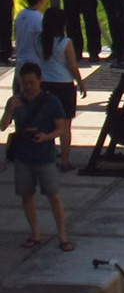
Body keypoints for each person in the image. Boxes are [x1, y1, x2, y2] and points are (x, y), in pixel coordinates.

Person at [3, 64, 73, 251]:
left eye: (31, 82)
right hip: (22, 156)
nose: (28, 86)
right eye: (24, 83)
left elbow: (61, 128)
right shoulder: (16, 100)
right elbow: (3, 126)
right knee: (27, 196)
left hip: (45, 156)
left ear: (40, 80)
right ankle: (35, 233)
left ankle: (62, 236)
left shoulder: (51, 101)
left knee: (53, 196)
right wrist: (10, 110)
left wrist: (46, 137)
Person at [32, 10, 81, 167]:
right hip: (64, 84)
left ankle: (47, 156)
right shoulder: (65, 42)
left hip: (45, 84)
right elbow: (73, 66)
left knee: (47, 122)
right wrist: (81, 83)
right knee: (65, 126)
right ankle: (65, 161)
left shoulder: (38, 40)